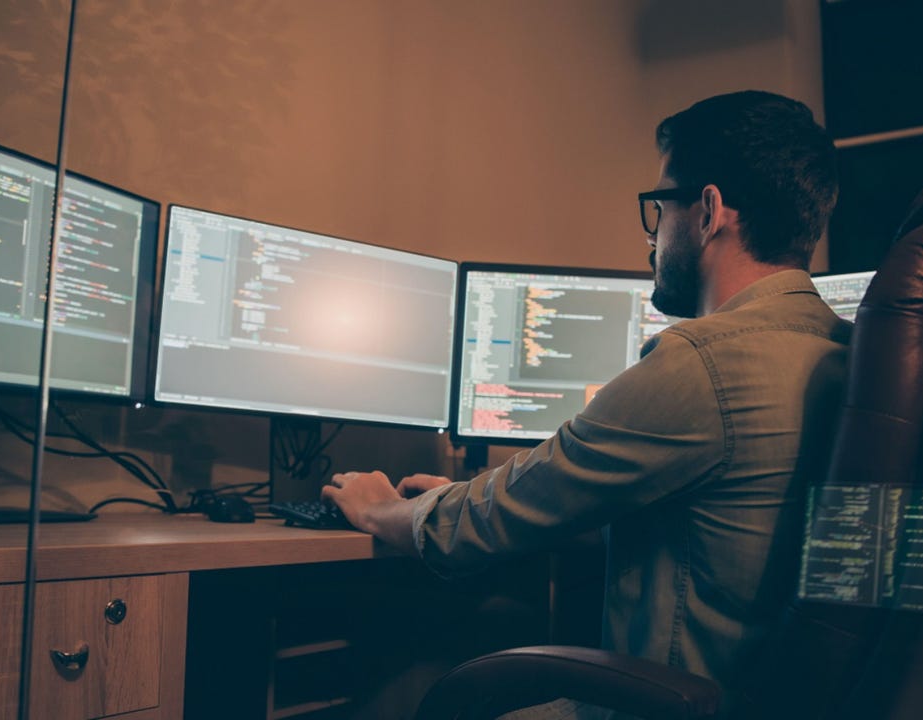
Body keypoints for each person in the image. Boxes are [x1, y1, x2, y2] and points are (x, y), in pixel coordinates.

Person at [323, 90, 851, 715]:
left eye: (659, 209)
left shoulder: (703, 362)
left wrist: (383, 508)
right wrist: (491, 496)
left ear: (708, 211)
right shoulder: (842, 348)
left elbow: (477, 526)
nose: (654, 237)